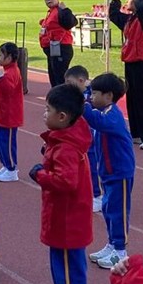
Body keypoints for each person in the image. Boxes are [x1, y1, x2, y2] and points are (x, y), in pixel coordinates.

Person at [29, 83, 95, 284]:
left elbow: (66, 181)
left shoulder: (67, 146)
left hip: (69, 218)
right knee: (59, 263)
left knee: (69, 266)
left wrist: (40, 175)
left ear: (63, 117)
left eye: (48, 109)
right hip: (61, 214)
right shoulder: (64, 137)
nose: (44, 113)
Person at [83, 73, 135, 269]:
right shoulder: (103, 110)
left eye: (94, 93)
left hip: (120, 172)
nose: (91, 97)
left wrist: (83, 105)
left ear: (108, 96)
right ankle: (112, 244)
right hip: (108, 172)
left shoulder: (111, 114)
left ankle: (121, 251)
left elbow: (97, 121)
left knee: (118, 211)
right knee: (107, 209)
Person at [109, 0, 143, 150]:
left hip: (142, 63)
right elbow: (114, 15)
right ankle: (136, 133)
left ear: (137, 3)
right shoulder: (130, 19)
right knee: (132, 98)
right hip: (130, 62)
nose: (127, 1)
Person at [65, 65, 101, 212]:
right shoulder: (74, 96)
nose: (67, 86)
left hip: (92, 138)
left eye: (69, 82)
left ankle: (98, 195)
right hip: (79, 138)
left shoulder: (91, 95)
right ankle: (85, 191)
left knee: (93, 165)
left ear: (81, 81)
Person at [0, 42, 24, 182]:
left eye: (0, 55)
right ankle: (5, 165)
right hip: (2, 114)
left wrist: (1, 78)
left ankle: (11, 169)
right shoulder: (5, 71)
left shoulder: (12, 72)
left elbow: (8, 90)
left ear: (9, 58)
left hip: (9, 116)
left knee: (7, 143)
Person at [39, 0, 76, 87]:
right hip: (53, 49)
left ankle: (62, 95)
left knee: (59, 78)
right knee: (54, 77)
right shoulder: (51, 12)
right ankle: (57, 95)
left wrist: (65, 10)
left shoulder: (60, 10)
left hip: (61, 48)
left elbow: (71, 22)